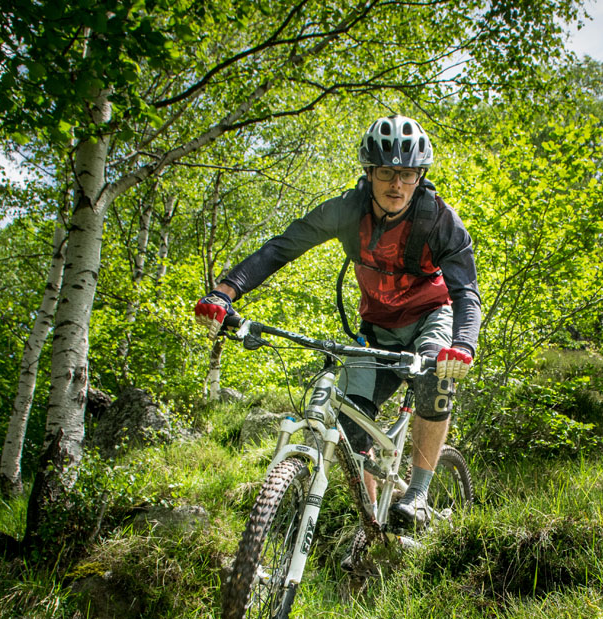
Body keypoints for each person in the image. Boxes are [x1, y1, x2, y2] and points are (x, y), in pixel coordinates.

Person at [194, 115, 480, 527]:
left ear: (420, 176)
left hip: (429, 318)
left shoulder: (438, 219)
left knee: (435, 376)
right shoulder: (347, 211)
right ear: (369, 172)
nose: (396, 184)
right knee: (350, 428)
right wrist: (225, 292)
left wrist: (464, 345)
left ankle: (417, 494)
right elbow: (280, 249)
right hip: (376, 330)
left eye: (407, 173)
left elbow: (465, 292)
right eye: (385, 172)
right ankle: (372, 528)